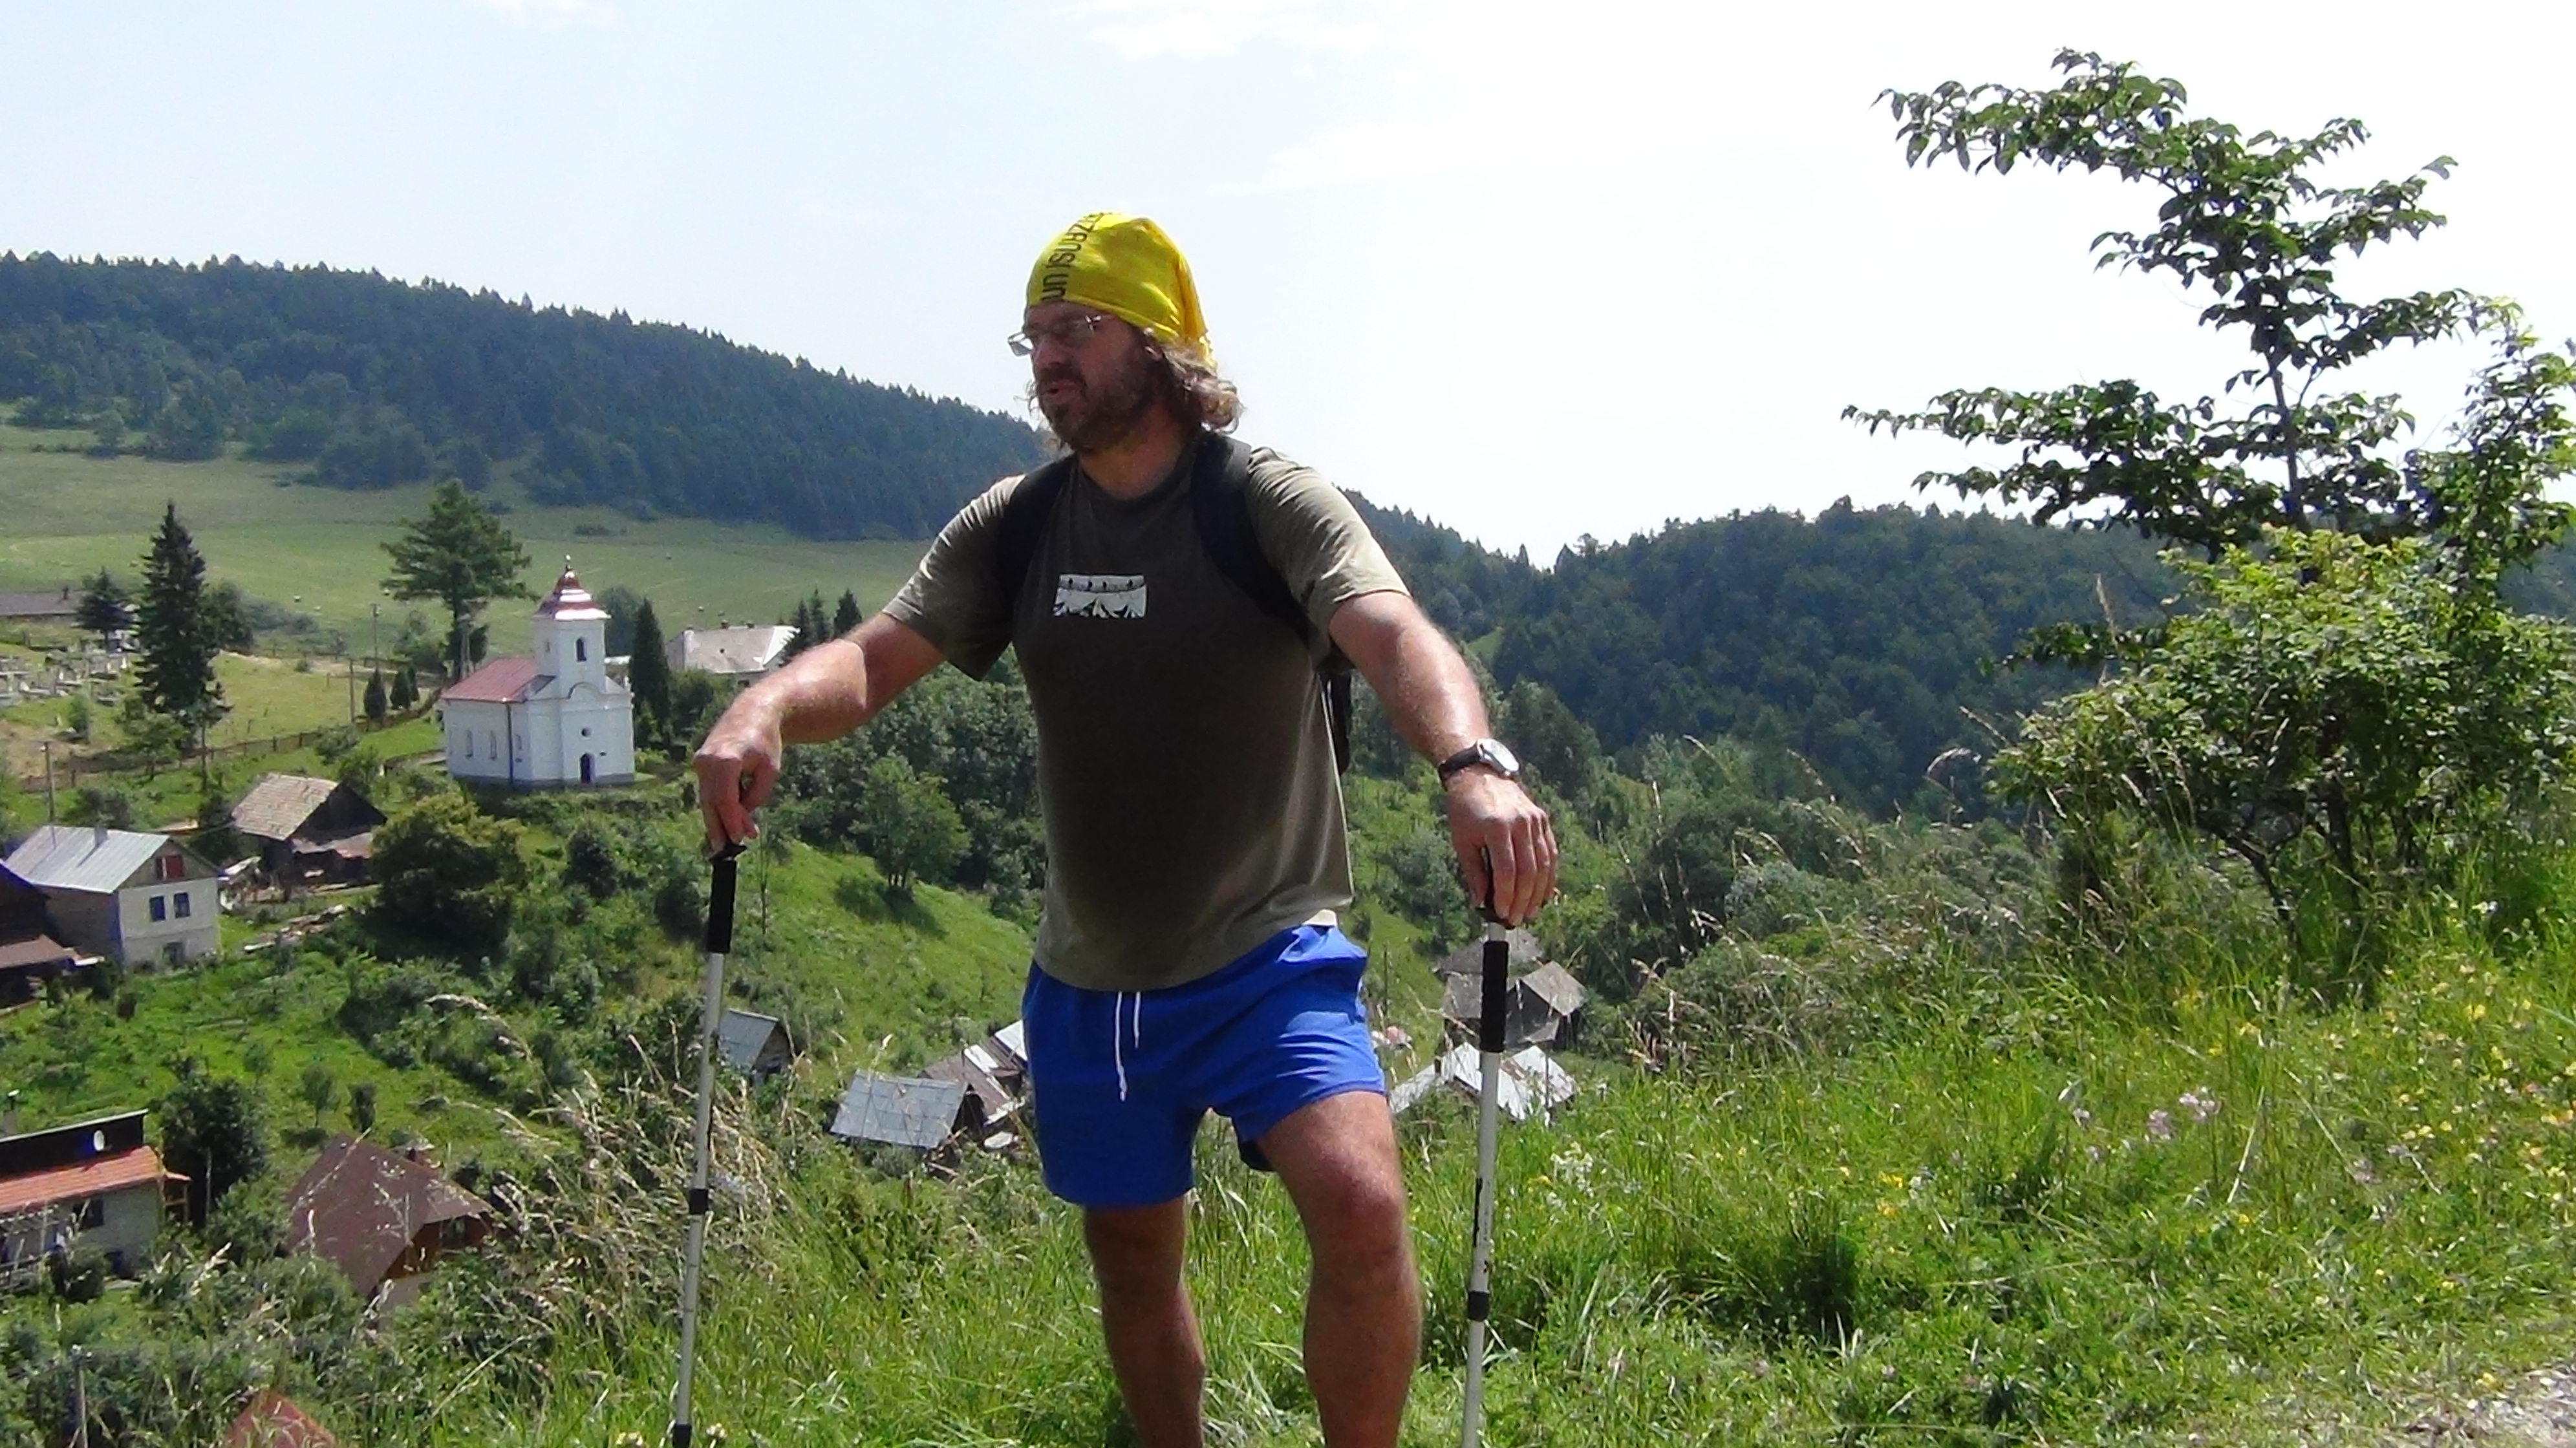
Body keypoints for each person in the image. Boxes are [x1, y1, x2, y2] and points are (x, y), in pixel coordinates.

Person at [692, 211, 1558, 1448]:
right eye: (1034, 336)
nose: (1048, 359)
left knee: (1363, 1209)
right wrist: (765, 707)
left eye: (1078, 329)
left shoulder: (1263, 501)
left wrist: (1470, 766)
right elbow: (877, 658)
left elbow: (1390, 631)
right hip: (1093, 981)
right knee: (1134, 1260)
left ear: (1158, 344)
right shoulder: (1016, 524)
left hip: (1268, 953)